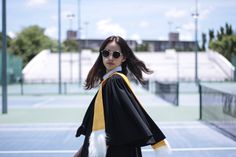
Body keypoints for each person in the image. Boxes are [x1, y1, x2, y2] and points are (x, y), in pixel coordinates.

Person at [74, 36, 170, 157]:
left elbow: (117, 125)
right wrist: (82, 151)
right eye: (106, 53)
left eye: (116, 54)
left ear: (123, 57)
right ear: (101, 55)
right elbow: (102, 124)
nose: (110, 57)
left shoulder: (114, 82)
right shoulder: (110, 81)